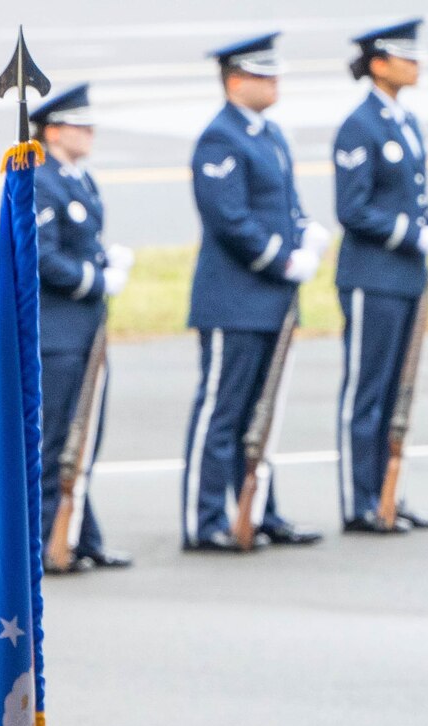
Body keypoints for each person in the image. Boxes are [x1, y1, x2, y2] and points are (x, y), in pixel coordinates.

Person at [180, 33, 328, 552]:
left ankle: (259, 508)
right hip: (234, 300)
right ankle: (204, 519)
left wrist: (306, 231)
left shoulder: (270, 135)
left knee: (262, 413)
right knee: (221, 413)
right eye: (263, 75)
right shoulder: (220, 139)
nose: (274, 83)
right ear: (235, 80)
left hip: (272, 301)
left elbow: (285, 204)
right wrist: (281, 257)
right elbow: (228, 217)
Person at [333, 18, 428, 533]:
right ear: (379, 65)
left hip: (405, 278)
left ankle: (387, 496)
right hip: (371, 277)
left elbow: (407, 194)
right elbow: (353, 209)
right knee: (368, 392)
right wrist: (412, 232)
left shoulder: (406, 121)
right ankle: (360, 500)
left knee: (396, 394)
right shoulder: (361, 126)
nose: (415, 64)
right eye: (406, 56)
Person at [30, 82, 133, 573]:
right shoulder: (41, 180)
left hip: (86, 330)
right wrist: (96, 278)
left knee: (85, 436)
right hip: (59, 334)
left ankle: (81, 533)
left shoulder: (79, 179)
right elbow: (42, 256)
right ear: (52, 131)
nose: (89, 131)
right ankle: (51, 537)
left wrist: (103, 260)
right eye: (79, 124)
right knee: (57, 441)